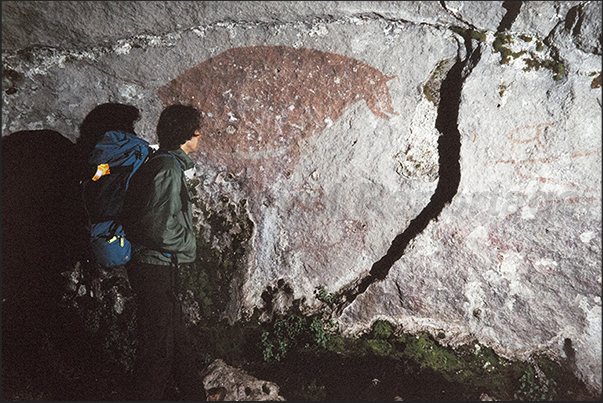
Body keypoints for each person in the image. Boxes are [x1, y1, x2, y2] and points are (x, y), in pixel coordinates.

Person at [122, 104, 224, 401]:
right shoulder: (167, 168)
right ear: (189, 135)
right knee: (157, 354)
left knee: (177, 341)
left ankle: (196, 396)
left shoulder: (165, 163)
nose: (200, 135)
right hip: (154, 267)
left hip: (157, 266)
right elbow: (158, 227)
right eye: (197, 130)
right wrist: (189, 243)